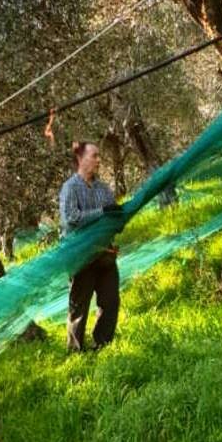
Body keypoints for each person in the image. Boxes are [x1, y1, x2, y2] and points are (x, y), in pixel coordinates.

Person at [59, 141, 122, 352]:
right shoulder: (70, 188)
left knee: (110, 302)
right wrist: (102, 212)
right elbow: (72, 219)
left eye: (98, 156)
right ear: (81, 158)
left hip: (105, 257)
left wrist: (114, 221)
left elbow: (112, 219)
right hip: (81, 258)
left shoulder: (103, 189)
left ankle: (102, 345)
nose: (98, 160)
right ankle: (75, 352)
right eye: (94, 156)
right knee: (79, 308)